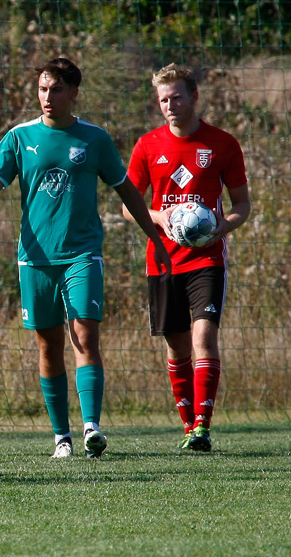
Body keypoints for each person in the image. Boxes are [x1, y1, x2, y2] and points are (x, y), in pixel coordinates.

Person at [0, 57, 171, 458]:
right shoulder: (19, 138)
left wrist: (155, 237)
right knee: (48, 346)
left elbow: (128, 192)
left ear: (74, 93)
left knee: (85, 334)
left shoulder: (94, 139)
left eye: (57, 89)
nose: (48, 97)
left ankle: (90, 428)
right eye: (43, 89)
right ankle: (60, 437)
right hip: (34, 259)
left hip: (81, 253)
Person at [123, 63, 250, 452]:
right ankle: (187, 425)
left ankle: (202, 427)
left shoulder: (223, 144)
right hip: (162, 259)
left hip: (207, 259)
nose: (170, 105)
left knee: (204, 337)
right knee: (177, 347)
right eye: (163, 99)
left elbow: (242, 206)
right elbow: (131, 206)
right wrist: (162, 217)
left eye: (177, 97)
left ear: (194, 97)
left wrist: (217, 228)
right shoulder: (147, 146)